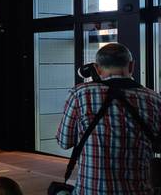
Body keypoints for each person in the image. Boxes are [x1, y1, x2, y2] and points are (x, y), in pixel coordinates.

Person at [56, 43, 161, 195]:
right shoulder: (154, 99)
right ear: (131, 66)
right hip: (140, 191)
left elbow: (64, 142)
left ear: (97, 69)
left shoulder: (80, 94)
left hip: (90, 190)